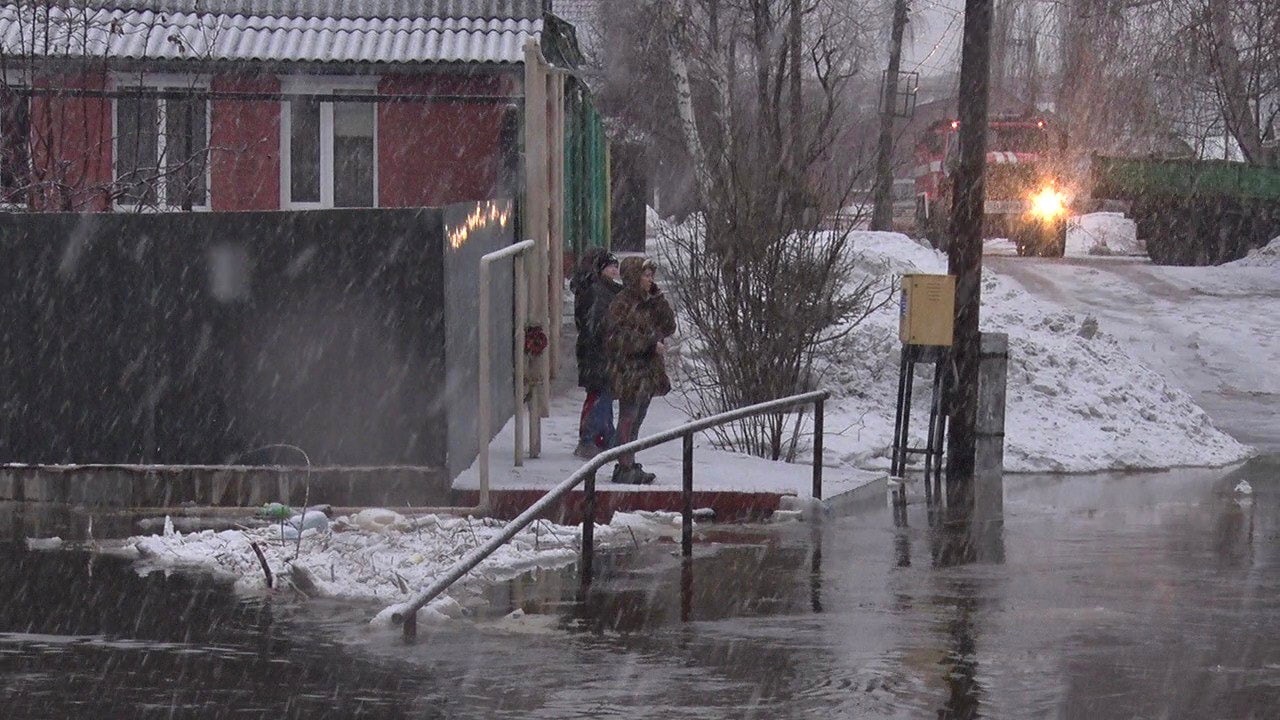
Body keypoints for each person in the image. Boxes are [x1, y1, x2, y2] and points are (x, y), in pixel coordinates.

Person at [606, 257, 676, 484]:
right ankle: (624, 464)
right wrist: (647, 343)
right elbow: (618, 338)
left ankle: (629, 459)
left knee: (638, 416)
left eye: (651, 275)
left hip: (647, 371)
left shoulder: (650, 302)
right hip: (629, 370)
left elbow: (668, 325)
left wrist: (658, 298)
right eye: (646, 275)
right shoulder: (622, 303)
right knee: (629, 416)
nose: (649, 280)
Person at [571, 248, 621, 458]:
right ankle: (591, 438)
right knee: (601, 394)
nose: (615, 271)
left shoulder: (601, 290)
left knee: (602, 394)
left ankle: (604, 436)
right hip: (598, 355)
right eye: (611, 267)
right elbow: (595, 327)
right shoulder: (598, 293)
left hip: (597, 354)